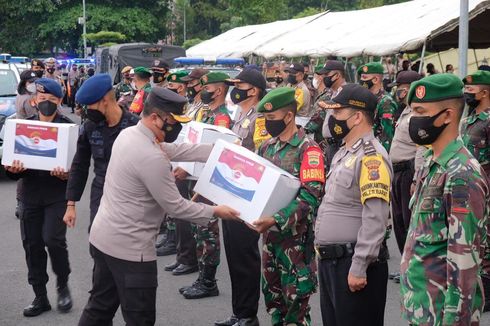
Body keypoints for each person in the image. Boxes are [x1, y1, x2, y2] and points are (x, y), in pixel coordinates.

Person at [77, 87, 240, 326]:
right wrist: (216, 211)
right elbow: (177, 207)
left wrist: (220, 151)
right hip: (131, 252)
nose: (178, 128)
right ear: (155, 117)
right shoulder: (151, 157)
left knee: (99, 308)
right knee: (140, 318)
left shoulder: (131, 134)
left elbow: (176, 149)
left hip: (104, 240)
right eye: (173, 122)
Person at [400, 73, 489, 325]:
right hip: (422, 309)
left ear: (448, 115)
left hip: (442, 315)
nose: (413, 119)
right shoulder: (433, 163)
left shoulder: (461, 173)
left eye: (419, 111)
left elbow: (464, 262)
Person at [314, 83, 392, 326]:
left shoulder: (371, 157)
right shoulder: (344, 151)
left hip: (352, 263)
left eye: (337, 113)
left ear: (357, 116)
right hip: (332, 263)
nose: (332, 119)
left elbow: (375, 218)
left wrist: (359, 266)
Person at [252, 87, 325, 326]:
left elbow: (310, 198)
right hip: (270, 241)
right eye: (265, 118)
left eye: (271, 118)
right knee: (274, 304)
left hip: (296, 242)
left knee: (296, 308)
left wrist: (275, 219)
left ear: (289, 116)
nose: (267, 123)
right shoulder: (266, 147)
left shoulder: (309, 150)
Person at [4, 78, 74, 317]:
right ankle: (40, 295)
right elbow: (12, 170)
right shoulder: (22, 127)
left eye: (51, 100)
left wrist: (66, 176)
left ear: (60, 102)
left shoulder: (68, 128)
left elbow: (78, 168)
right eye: (42, 99)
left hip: (57, 195)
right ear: (34, 101)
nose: (46, 103)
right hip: (30, 195)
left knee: (53, 241)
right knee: (32, 245)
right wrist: (13, 170)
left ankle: (62, 284)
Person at [213, 69, 269, 326]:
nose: (235, 89)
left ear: (254, 90)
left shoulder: (260, 116)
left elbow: (258, 154)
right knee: (234, 255)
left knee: (245, 256)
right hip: (233, 190)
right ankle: (239, 311)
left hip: (248, 193)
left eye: (240, 85)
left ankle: (248, 314)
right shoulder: (241, 114)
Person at [63, 74, 140, 233]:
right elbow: (80, 165)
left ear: (105, 99)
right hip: (101, 193)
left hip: (130, 197)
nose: (87, 111)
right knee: (97, 241)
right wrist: (71, 204)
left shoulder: (136, 126)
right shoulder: (90, 127)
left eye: (90, 106)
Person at [180, 72, 233, 300]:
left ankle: (209, 281)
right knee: (199, 229)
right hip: (197, 177)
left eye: (207, 87)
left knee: (207, 230)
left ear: (218, 90)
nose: (202, 90)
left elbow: (217, 152)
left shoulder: (221, 118)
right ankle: (203, 276)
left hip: (209, 181)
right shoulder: (207, 112)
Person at [386, 71, 424, 284]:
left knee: (409, 223)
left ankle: (413, 269)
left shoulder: (417, 114)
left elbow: (420, 148)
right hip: (398, 172)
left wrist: (416, 179)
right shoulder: (405, 111)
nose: (398, 90)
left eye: (402, 86)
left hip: (409, 173)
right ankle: (405, 267)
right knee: (399, 223)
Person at [461, 69, 490, 311]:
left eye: (470, 89)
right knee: (477, 238)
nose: (466, 93)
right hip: (471, 188)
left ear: (485, 92)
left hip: (487, 188)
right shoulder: (469, 119)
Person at [156, 70, 190, 258]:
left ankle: (187, 256)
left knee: (200, 228)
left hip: (189, 169)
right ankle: (174, 242)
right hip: (175, 162)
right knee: (173, 209)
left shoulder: (188, 107)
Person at [305, 60, 347, 171]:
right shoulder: (332, 93)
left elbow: (319, 116)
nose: (324, 78)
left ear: (337, 75)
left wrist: (305, 130)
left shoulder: (346, 93)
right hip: (329, 145)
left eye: (326, 75)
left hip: (340, 145)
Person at [358, 62, 398, 152]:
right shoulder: (365, 99)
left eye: (364, 78)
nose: (361, 81)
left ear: (375, 79)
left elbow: (387, 136)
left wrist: (381, 156)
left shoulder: (386, 102)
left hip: (376, 152)